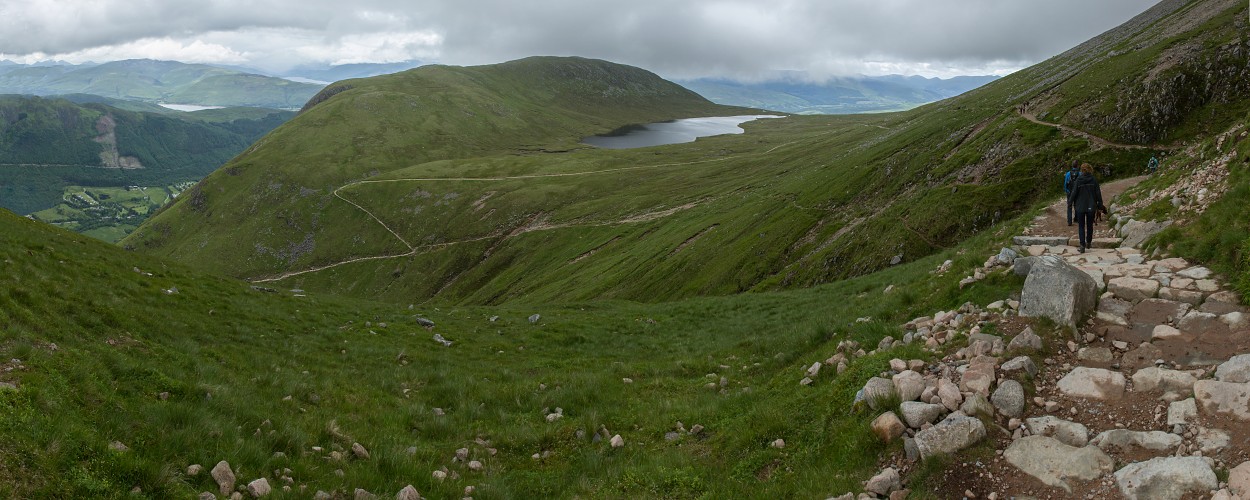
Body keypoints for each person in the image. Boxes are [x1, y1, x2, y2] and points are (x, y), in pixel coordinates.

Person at [1068, 163, 1105, 253]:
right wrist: (1100, 206)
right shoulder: (1093, 180)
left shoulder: (1078, 180)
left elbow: (1074, 193)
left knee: (1081, 226)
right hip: (1091, 206)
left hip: (1080, 206)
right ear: (1090, 169)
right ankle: (1088, 242)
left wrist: (1069, 203)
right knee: (1089, 225)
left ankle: (1082, 246)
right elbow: (1098, 194)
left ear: (1081, 170)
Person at [1063, 160, 1080, 226]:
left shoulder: (1068, 174)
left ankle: (1069, 222)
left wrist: (1067, 191)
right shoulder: (1080, 173)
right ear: (1077, 166)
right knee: (1077, 205)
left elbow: (1065, 184)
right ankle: (1077, 219)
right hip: (1077, 192)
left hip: (1070, 192)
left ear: (1072, 166)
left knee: (1069, 206)